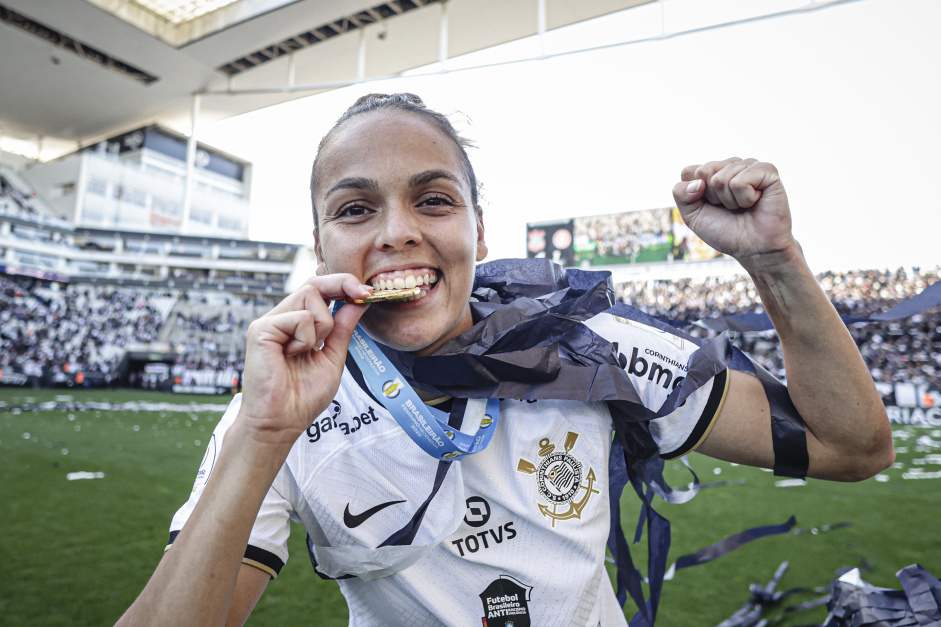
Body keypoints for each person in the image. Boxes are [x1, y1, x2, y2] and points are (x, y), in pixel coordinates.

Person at [117, 93, 894, 627]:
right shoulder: (278, 406)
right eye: (355, 209)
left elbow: (849, 447)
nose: (395, 233)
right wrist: (261, 435)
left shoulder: (587, 343)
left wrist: (775, 260)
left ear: (479, 235)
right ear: (319, 246)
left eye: (433, 199)